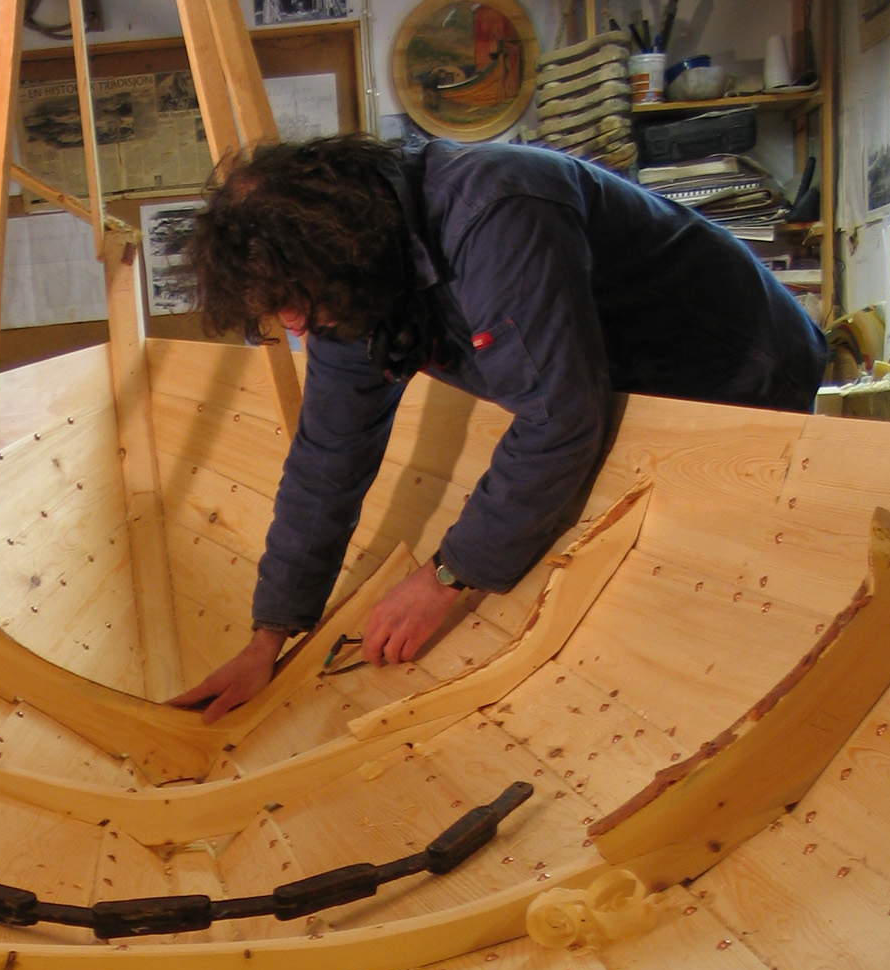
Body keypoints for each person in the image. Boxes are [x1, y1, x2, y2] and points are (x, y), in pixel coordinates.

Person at [170, 134, 828, 721]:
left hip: (740, 364)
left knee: (735, 604)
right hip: (628, 383)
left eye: (294, 301)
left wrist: (446, 576)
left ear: (341, 247)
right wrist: (268, 637)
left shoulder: (495, 212)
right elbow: (327, 459)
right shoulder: (343, 290)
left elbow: (559, 419)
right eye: (277, 308)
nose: (292, 323)